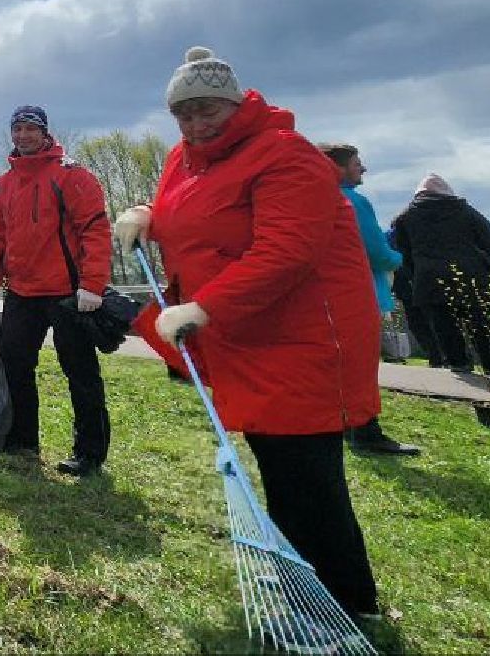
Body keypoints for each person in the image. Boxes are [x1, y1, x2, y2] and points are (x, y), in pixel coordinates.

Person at [117, 47, 384, 629]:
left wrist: (204, 307)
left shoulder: (286, 157)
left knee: (306, 473)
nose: (196, 124)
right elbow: (193, 217)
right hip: (247, 335)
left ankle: (344, 603)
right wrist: (146, 215)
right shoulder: (185, 160)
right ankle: (302, 572)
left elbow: (284, 253)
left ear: (236, 103)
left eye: (207, 109)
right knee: (276, 462)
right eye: (183, 115)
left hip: (304, 335)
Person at [0, 105, 113, 477]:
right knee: (14, 363)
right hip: (22, 291)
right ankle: (23, 440)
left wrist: (92, 285)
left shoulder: (72, 176)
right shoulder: (4, 184)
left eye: (30, 129)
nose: (23, 136)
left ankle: (90, 451)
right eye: (17, 129)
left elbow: (96, 230)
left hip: (67, 292)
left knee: (80, 370)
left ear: (44, 133)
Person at [319, 144, 422, 457]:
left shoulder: (312, 198)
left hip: (326, 296)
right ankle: (364, 431)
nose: (362, 170)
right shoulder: (352, 201)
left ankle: (343, 425)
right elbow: (374, 252)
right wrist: (399, 258)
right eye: (356, 164)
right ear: (339, 168)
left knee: (339, 366)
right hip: (360, 292)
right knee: (361, 367)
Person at [389, 173, 490, 374]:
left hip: (429, 279)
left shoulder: (405, 218)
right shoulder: (464, 211)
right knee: (480, 323)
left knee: (444, 326)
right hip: (470, 275)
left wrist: (415, 276)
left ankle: (459, 364)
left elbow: (404, 253)